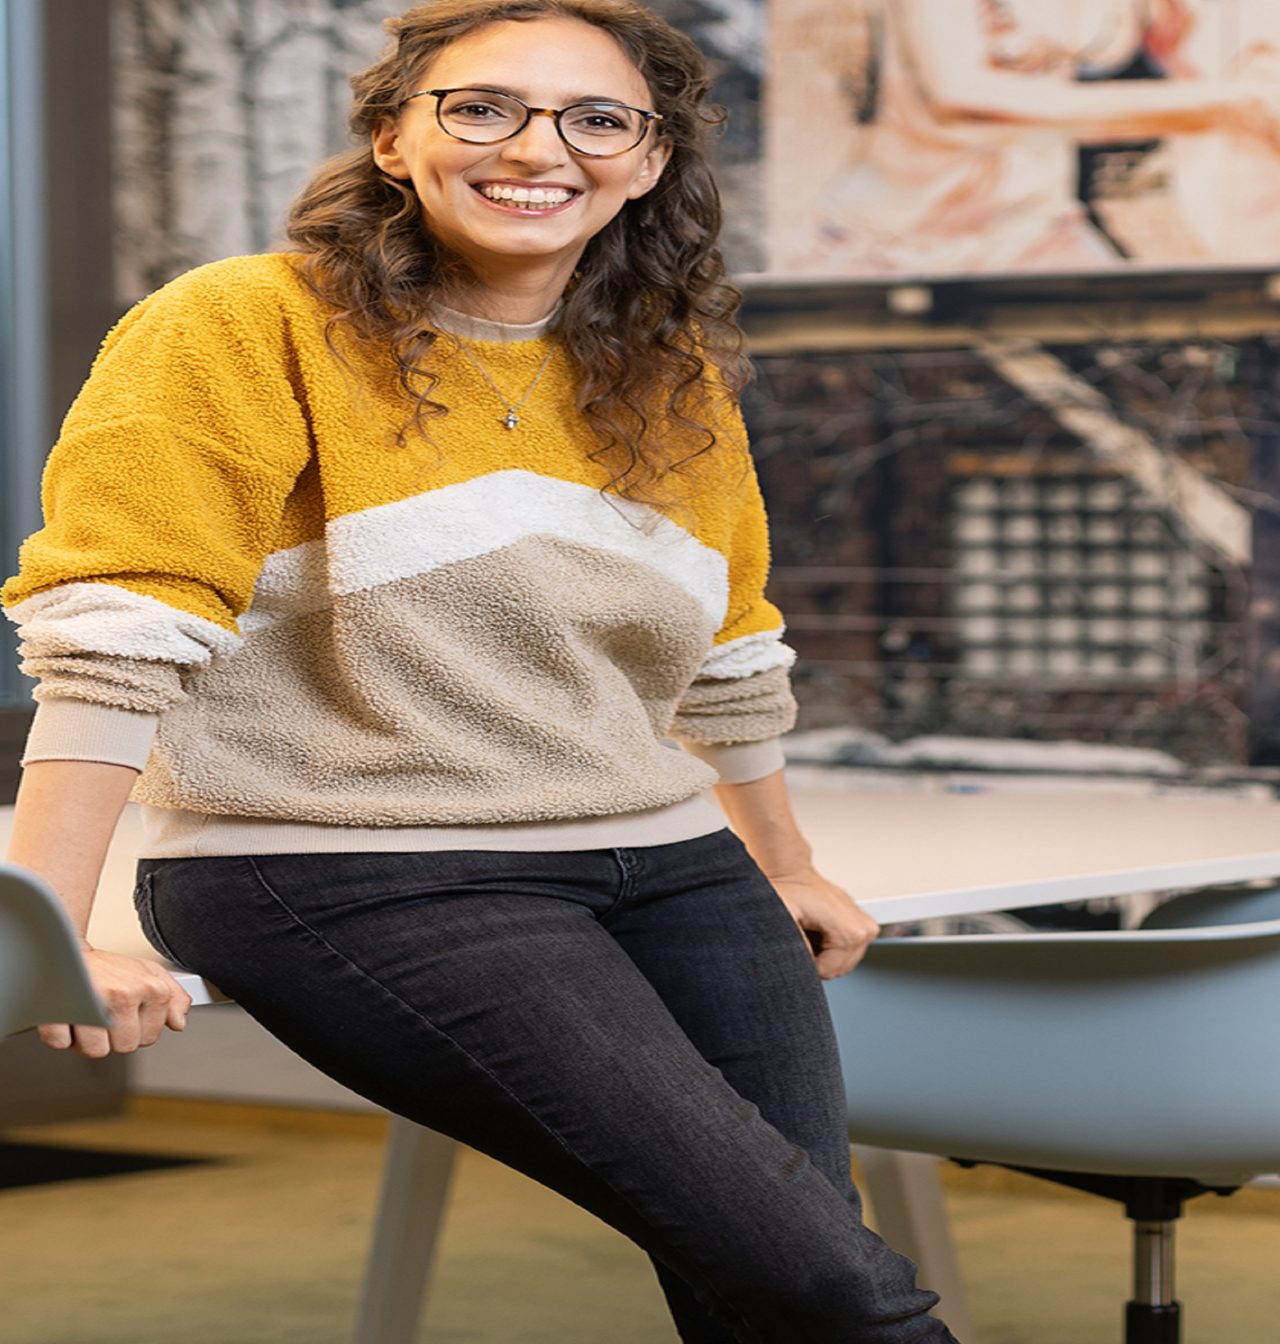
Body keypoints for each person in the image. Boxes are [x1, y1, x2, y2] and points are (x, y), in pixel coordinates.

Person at [2, 2, 957, 1340]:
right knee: (825, 1282)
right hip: (348, 864)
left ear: (646, 159)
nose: (538, 148)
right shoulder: (238, 322)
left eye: (597, 119)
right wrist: (48, 928)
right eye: (483, 107)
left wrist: (783, 861)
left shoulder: (668, 371)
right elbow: (116, 632)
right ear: (395, 136)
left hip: (674, 863)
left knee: (773, 1285)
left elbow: (730, 641)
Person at [773, 0, 1280, 276]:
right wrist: (1228, 101)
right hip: (892, 237)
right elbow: (960, 95)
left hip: (1037, 232)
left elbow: (1198, 39)